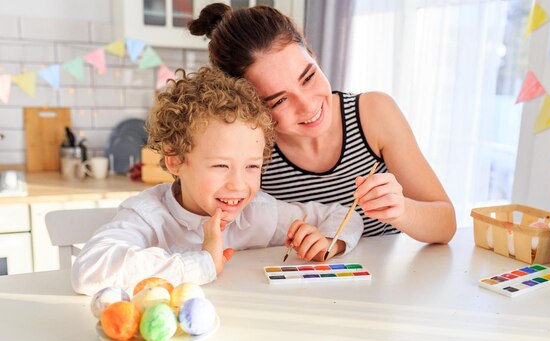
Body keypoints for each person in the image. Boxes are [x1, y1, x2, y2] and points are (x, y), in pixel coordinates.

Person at [71, 66, 363, 296]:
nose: (238, 185)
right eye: (221, 165)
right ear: (176, 161)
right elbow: (89, 270)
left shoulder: (257, 211)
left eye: (251, 166)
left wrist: (328, 241)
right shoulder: (149, 215)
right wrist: (204, 262)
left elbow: (341, 215)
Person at [188, 3, 456, 244]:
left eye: (308, 77)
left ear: (313, 57)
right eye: (280, 101)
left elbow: (445, 224)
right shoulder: (249, 149)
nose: (308, 105)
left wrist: (402, 210)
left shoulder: (374, 114)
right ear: (250, 104)